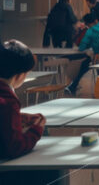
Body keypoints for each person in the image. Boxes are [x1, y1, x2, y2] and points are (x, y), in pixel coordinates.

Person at [0, 40, 57, 185]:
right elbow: (14, 147)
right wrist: (37, 130)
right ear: (19, 76)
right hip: (5, 172)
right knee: (52, 168)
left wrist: (18, 117)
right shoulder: (8, 99)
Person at [66, 13, 99, 96]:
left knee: (86, 64)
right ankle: (73, 86)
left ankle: (73, 85)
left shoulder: (91, 31)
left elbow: (82, 47)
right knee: (86, 64)